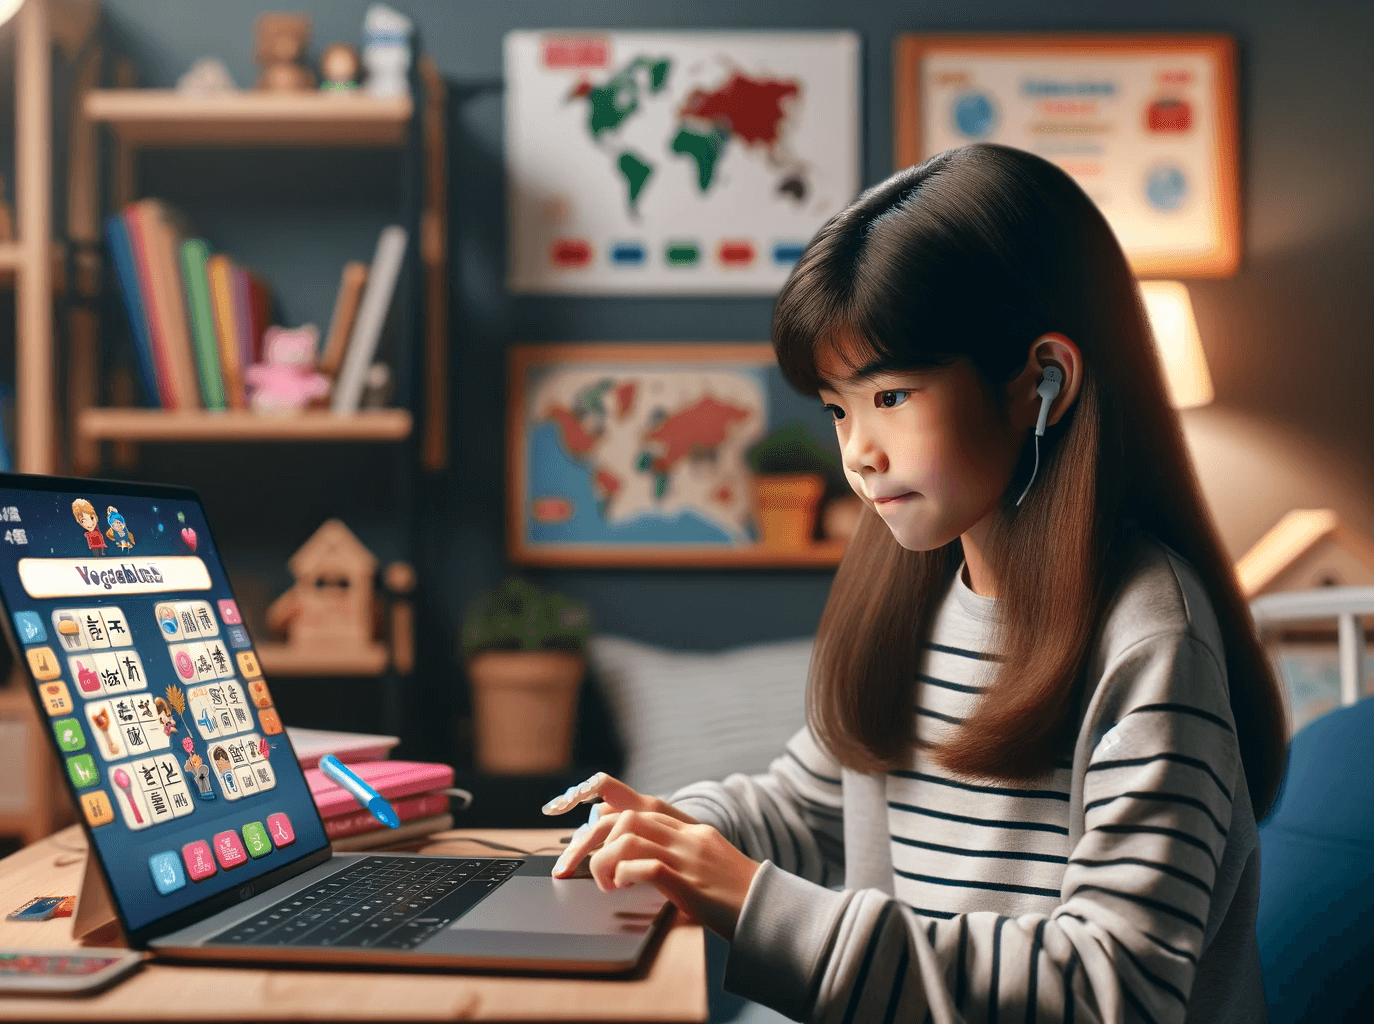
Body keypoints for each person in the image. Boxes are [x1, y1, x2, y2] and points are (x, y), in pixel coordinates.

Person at [545, 143, 1287, 1023]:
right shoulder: (916, 587)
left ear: (1041, 382)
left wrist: (751, 902)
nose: (858, 450)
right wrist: (669, 830)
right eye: (837, 408)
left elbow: (1112, 987)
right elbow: (810, 805)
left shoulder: (1152, 641)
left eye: (890, 396)